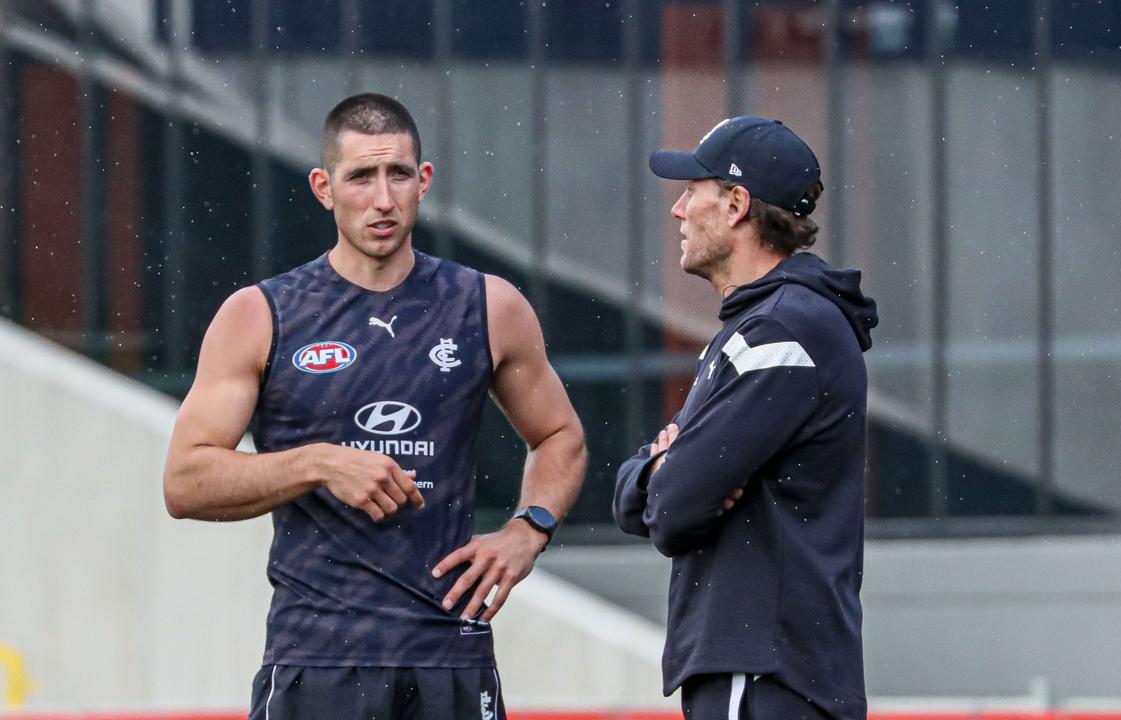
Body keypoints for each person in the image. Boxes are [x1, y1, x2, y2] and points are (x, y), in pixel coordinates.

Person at [163, 93, 587, 720]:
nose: (383, 199)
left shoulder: (489, 306)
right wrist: (317, 463)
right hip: (318, 656)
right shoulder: (260, 315)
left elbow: (561, 437)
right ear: (323, 187)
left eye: (398, 175)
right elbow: (185, 482)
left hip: (450, 654)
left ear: (425, 181)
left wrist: (530, 530)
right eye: (361, 176)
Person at [613, 116, 878, 720]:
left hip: (761, 674)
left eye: (692, 192)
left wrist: (664, 473)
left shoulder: (781, 328)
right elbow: (643, 499)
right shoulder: (763, 326)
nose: (678, 210)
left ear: (736, 204)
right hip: (768, 671)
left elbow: (673, 508)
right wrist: (660, 472)